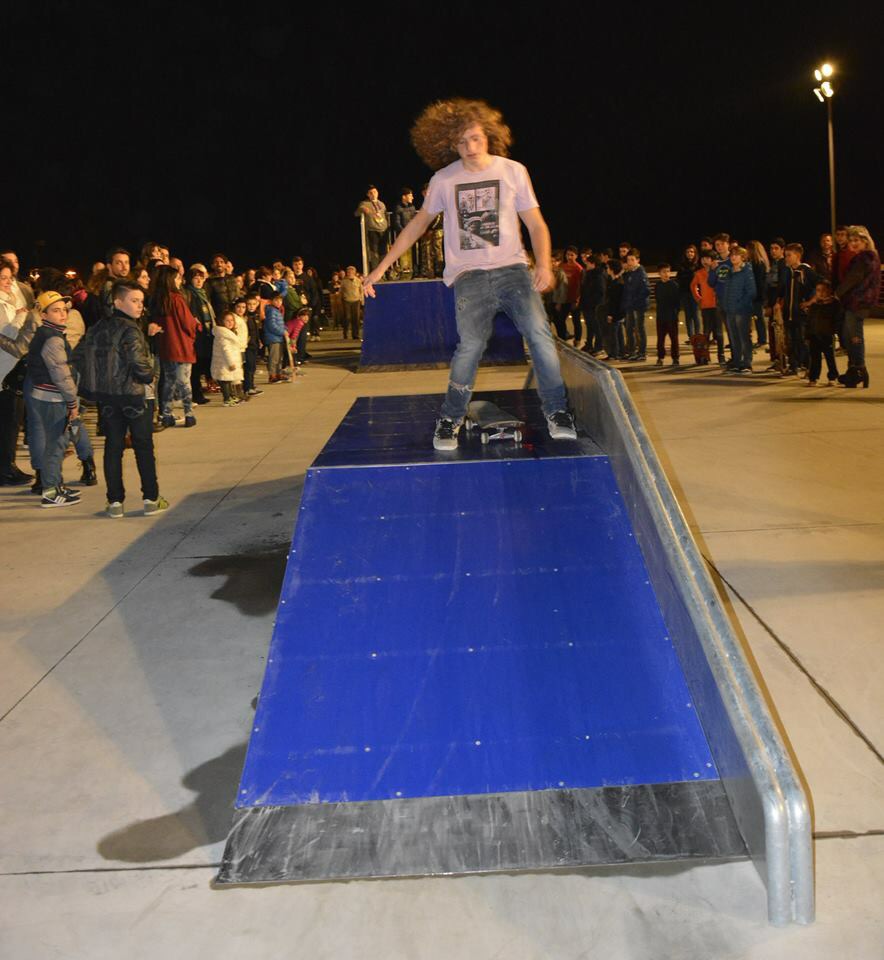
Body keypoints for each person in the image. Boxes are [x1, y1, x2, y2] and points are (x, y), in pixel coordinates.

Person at [363, 97, 576, 449]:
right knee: (470, 346)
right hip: (470, 277)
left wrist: (543, 263)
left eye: (476, 138)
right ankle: (450, 417)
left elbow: (536, 223)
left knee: (539, 335)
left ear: (489, 136)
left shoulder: (513, 171)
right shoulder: (444, 179)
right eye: (461, 142)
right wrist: (380, 269)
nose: (470, 147)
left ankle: (557, 410)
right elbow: (416, 225)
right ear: (451, 144)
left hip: (512, 270)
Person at [77, 280, 167, 517]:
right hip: (134, 395)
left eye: (141, 301)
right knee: (143, 446)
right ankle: (151, 498)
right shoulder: (130, 328)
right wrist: (150, 374)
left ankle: (115, 502)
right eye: (134, 301)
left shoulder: (97, 327)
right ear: (118, 302)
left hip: (107, 397)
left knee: (113, 447)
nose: (140, 306)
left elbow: (78, 356)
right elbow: (137, 362)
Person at [25, 291, 81, 507]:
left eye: (64, 310)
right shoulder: (53, 338)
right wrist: (72, 401)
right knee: (56, 446)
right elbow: (61, 374)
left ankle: (55, 485)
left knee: (56, 443)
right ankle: (50, 491)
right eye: (56, 310)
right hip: (53, 398)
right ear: (44, 315)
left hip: (46, 395)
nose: (62, 314)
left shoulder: (48, 334)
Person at [0, 258, 38, 485]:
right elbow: (9, 334)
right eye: (2, 278)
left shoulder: (8, 300)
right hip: (6, 369)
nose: (8, 282)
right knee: (9, 422)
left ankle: (8, 465)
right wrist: (23, 315)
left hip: (9, 368)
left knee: (11, 421)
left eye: (9, 277)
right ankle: (6, 469)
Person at [152, 264, 199, 427]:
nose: (180, 281)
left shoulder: (158, 300)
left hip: (166, 346)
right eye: (178, 278)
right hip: (181, 345)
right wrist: (196, 327)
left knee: (169, 381)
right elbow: (188, 323)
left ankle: (166, 414)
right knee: (184, 381)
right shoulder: (176, 299)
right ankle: (189, 414)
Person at [835, 225, 879, 389]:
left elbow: (854, 277)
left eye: (857, 240)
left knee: (854, 336)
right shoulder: (868, 256)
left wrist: (837, 293)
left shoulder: (865, 257)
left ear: (865, 241)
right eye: (851, 240)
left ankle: (859, 370)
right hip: (857, 301)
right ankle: (854, 369)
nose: (853, 243)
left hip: (858, 301)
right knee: (849, 336)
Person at [714, 246, 757, 373]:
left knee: (744, 337)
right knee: (734, 338)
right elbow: (725, 290)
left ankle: (747, 363)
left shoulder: (747, 271)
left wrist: (740, 304)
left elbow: (751, 292)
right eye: (732, 255)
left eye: (736, 255)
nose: (733, 257)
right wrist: (725, 305)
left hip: (742, 310)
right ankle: (737, 362)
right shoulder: (730, 272)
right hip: (730, 310)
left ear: (743, 257)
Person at [781, 243, 817, 376]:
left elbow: (822, 284)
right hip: (788, 313)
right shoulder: (787, 271)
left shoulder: (805, 271)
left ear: (797, 256)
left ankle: (808, 367)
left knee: (802, 340)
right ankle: (793, 366)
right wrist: (778, 304)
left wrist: (810, 302)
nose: (786, 258)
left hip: (801, 314)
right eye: (785, 256)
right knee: (791, 341)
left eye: (789, 255)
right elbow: (783, 290)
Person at [183, 264, 215, 405]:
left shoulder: (203, 293)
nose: (199, 281)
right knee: (196, 366)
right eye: (196, 278)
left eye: (201, 278)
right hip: (196, 334)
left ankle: (200, 390)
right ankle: (196, 394)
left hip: (206, 333)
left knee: (202, 362)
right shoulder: (189, 294)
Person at [805, 281, 840, 386]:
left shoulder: (834, 304)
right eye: (818, 290)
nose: (820, 293)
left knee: (829, 357)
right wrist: (807, 335)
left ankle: (832, 377)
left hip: (827, 334)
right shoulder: (814, 305)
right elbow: (809, 320)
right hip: (814, 335)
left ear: (829, 291)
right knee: (815, 358)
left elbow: (837, 319)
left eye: (823, 290)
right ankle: (813, 377)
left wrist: (835, 331)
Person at [691, 250, 721, 364]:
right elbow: (693, 286)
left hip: (717, 305)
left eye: (707, 258)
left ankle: (721, 355)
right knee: (706, 332)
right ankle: (704, 356)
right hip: (705, 305)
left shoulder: (718, 271)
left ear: (713, 260)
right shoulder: (699, 273)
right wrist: (698, 298)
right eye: (703, 259)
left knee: (718, 332)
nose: (704, 261)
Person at [621, 248, 649, 361]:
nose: (630, 262)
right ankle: (631, 351)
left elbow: (645, 290)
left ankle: (642, 352)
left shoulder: (641, 272)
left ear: (638, 260)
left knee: (639, 328)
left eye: (632, 260)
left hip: (638, 306)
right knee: (629, 328)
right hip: (630, 305)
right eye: (628, 260)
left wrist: (636, 301)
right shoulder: (629, 272)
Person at [211, 311, 245, 405]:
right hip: (224, 362)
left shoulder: (229, 333)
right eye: (227, 321)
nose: (230, 323)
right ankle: (227, 398)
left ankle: (231, 396)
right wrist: (231, 362)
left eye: (232, 320)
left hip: (227, 361)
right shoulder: (223, 335)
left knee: (229, 379)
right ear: (222, 322)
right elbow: (226, 350)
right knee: (224, 380)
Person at [355, 185, 389, 273]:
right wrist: (362, 209)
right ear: (368, 194)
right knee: (374, 253)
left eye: (375, 192)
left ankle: (384, 272)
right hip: (373, 230)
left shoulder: (382, 204)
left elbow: (385, 215)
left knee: (384, 252)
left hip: (383, 230)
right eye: (371, 193)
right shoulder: (364, 203)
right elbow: (356, 213)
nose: (373, 194)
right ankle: (376, 272)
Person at [654, 264, 680, 366]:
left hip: (671, 316)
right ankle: (660, 357)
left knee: (674, 338)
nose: (666, 274)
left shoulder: (674, 285)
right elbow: (657, 299)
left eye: (668, 271)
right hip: (661, 316)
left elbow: (677, 301)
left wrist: (675, 312)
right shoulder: (658, 285)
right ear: (659, 273)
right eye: (663, 272)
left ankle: (675, 357)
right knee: (660, 339)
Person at [676, 244, 700, 340]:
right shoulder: (681, 266)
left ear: (695, 253)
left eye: (692, 252)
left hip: (695, 293)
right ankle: (691, 336)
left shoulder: (698, 265)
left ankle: (698, 335)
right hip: (685, 293)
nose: (690, 253)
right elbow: (679, 279)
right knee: (688, 315)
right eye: (688, 252)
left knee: (695, 314)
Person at [392, 187, 417, 279]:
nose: (412, 197)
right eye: (410, 195)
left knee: (413, 254)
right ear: (404, 196)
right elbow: (396, 222)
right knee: (404, 254)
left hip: (412, 235)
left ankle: (413, 272)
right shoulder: (398, 208)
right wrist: (403, 232)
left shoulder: (412, 207)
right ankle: (405, 273)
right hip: (402, 235)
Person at [560, 246, 583, 342]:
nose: (569, 257)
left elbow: (581, 285)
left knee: (576, 321)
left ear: (576, 256)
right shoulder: (562, 266)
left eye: (572, 255)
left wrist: (577, 299)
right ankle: (564, 337)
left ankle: (577, 340)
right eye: (567, 255)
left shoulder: (579, 268)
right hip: (564, 299)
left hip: (574, 299)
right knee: (560, 319)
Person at [603, 259, 625, 359]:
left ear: (612, 269)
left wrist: (611, 314)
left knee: (613, 333)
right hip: (618, 312)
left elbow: (615, 301)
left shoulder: (617, 283)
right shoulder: (615, 281)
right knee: (618, 333)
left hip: (616, 313)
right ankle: (620, 352)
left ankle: (614, 353)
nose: (607, 269)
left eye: (608, 268)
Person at [263, 291, 287, 382]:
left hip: (278, 337)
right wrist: (282, 332)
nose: (279, 302)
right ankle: (272, 375)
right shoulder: (271, 311)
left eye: (280, 300)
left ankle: (278, 373)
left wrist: (285, 329)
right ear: (271, 301)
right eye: (276, 300)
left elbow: (280, 324)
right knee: (274, 358)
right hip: (273, 338)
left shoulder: (277, 311)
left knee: (279, 357)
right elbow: (272, 325)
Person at [340, 265, 363, 340]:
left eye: (351, 272)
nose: (349, 273)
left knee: (356, 318)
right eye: (348, 272)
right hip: (347, 301)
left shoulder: (358, 280)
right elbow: (341, 291)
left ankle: (355, 334)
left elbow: (361, 290)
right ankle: (345, 333)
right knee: (347, 318)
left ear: (354, 272)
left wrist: (361, 300)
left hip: (356, 301)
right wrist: (342, 299)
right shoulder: (344, 281)